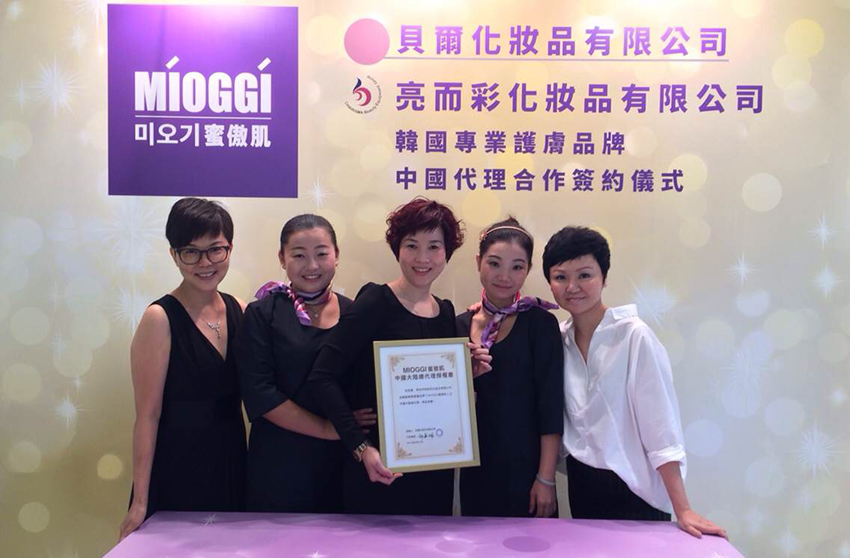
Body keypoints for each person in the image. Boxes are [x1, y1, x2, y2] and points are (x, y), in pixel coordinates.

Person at [308, 197, 491, 515]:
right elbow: (322, 376)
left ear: (447, 252)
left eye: (434, 247)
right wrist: (360, 447)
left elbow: (438, 393)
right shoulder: (375, 302)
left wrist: (466, 375)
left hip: (435, 470)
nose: (423, 258)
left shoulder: (446, 312)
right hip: (378, 467)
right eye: (412, 245)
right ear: (397, 249)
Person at [542, 226, 726, 538]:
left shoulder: (634, 336)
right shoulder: (557, 339)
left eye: (585, 275)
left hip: (636, 487)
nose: (572, 287)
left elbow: (660, 425)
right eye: (560, 277)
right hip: (581, 483)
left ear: (604, 277)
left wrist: (682, 508)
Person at [119, 198, 247, 540]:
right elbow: (147, 416)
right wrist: (141, 501)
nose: (205, 263)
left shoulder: (241, 310)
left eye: (215, 250)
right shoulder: (159, 318)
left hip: (232, 462)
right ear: (174, 255)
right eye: (191, 252)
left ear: (229, 249)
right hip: (179, 466)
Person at [235, 214, 375, 512]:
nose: (312, 266)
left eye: (321, 254)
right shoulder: (261, 315)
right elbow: (260, 393)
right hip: (280, 465)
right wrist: (327, 428)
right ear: (282, 258)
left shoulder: (356, 314)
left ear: (336, 255)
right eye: (299, 255)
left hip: (343, 462)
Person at [456, 218, 564, 518]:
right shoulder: (458, 325)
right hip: (476, 470)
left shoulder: (540, 325)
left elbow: (551, 406)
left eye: (517, 267)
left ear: (528, 269)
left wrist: (546, 478)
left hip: (528, 472)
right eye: (494, 263)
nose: (504, 276)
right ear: (478, 262)